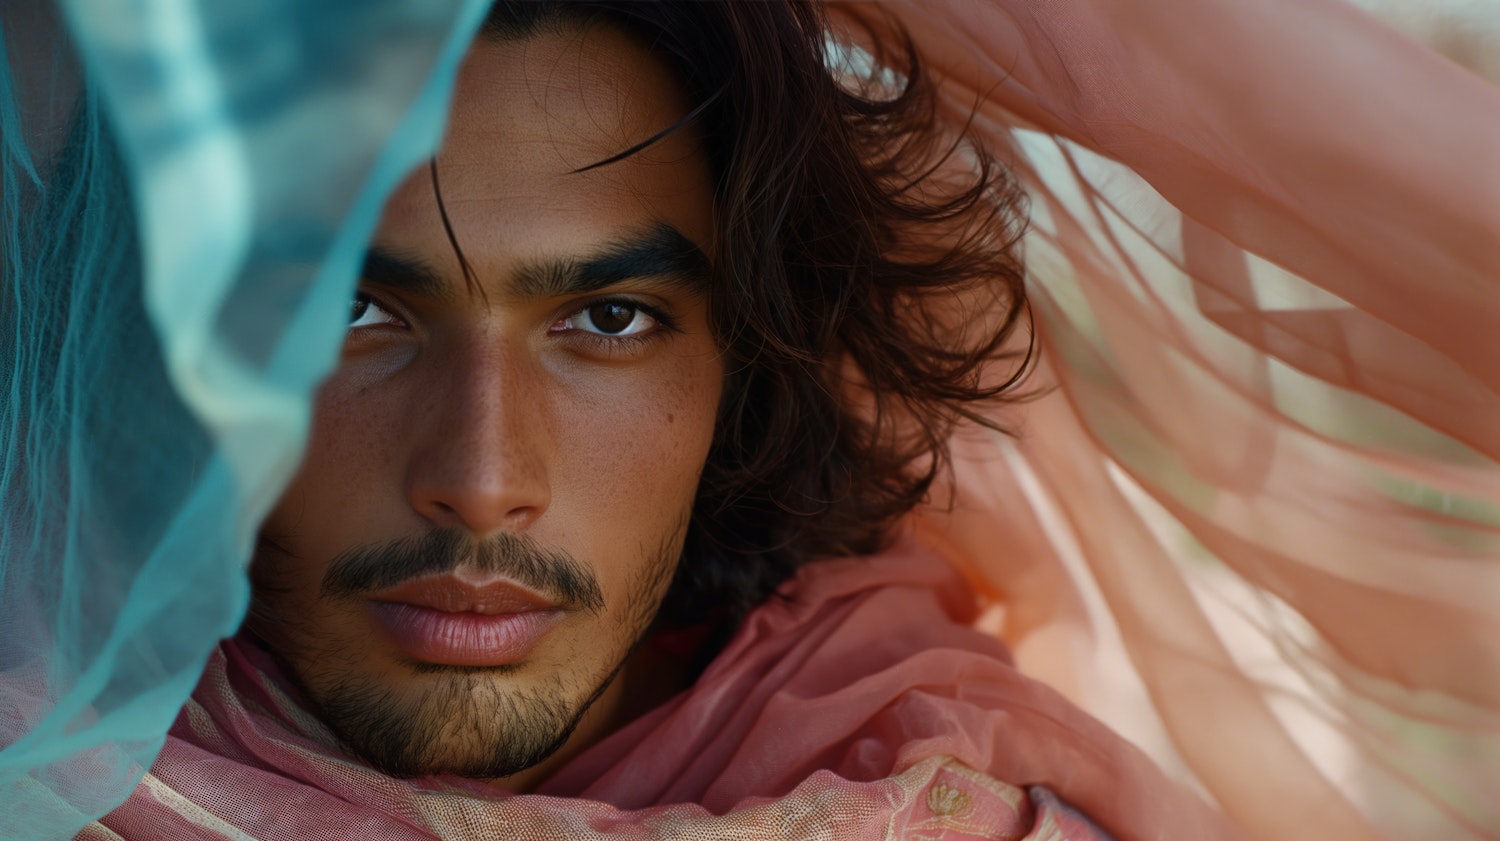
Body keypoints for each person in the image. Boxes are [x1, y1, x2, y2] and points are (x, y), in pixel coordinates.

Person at [3, 0, 1497, 839]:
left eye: (607, 319)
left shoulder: (954, 801)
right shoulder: (43, 762)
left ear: (750, 371)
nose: (479, 478)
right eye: (353, 312)